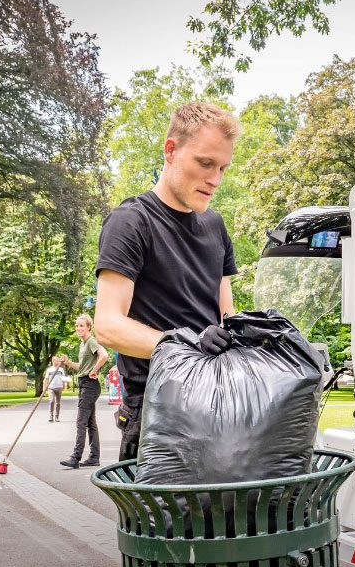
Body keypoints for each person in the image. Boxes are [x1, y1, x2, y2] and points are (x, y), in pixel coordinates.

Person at [94, 101, 240, 461]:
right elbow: (107, 326)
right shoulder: (131, 222)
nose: (215, 179)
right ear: (171, 150)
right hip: (155, 414)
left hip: (214, 407)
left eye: (222, 168)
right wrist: (187, 342)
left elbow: (228, 317)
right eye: (205, 163)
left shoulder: (215, 226)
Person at [59, 314, 108, 468]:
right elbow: (81, 367)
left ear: (88, 327)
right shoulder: (83, 344)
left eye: (81, 325)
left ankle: (75, 458)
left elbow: (104, 355)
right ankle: (94, 457)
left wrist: (94, 370)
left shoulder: (91, 341)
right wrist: (68, 362)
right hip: (84, 384)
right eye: (77, 325)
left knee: (81, 422)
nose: (78, 328)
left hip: (89, 385)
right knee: (90, 423)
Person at [42, 355, 69, 422]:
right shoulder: (49, 370)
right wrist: (44, 389)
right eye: (56, 360)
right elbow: (46, 379)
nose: (57, 361)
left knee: (58, 403)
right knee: (51, 401)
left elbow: (63, 378)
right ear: (52, 361)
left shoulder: (61, 369)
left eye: (57, 360)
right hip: (51, 388)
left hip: (59, 387)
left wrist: (65, 384)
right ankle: (51, 416)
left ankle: (57, 416)